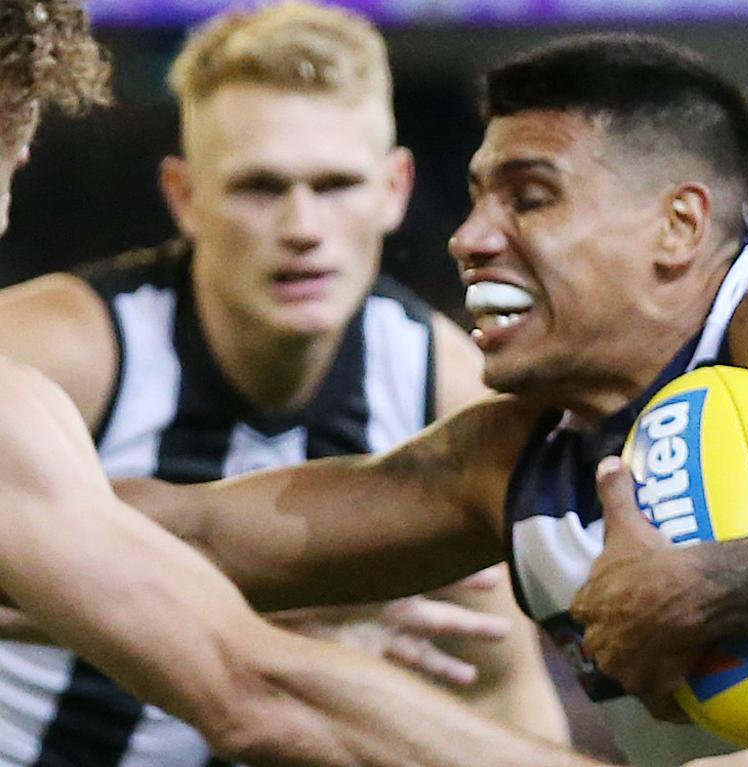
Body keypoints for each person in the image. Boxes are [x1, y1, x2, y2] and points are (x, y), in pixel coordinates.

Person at [102, 30, 748, 767]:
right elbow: (178, 539)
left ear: (678, 224)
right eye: (472, 200)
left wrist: (704, 592)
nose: (467, 239)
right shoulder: (510, 461)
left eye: (528, 198)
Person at [0, 3, 566, 763]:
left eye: (333, 184)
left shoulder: (450, 387)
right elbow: (248, 689)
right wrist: (245, 622)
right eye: (260, 187)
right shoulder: (51, 354)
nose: (302, 226)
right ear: (185, 197)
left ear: (395, 188)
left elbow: (498, 681)